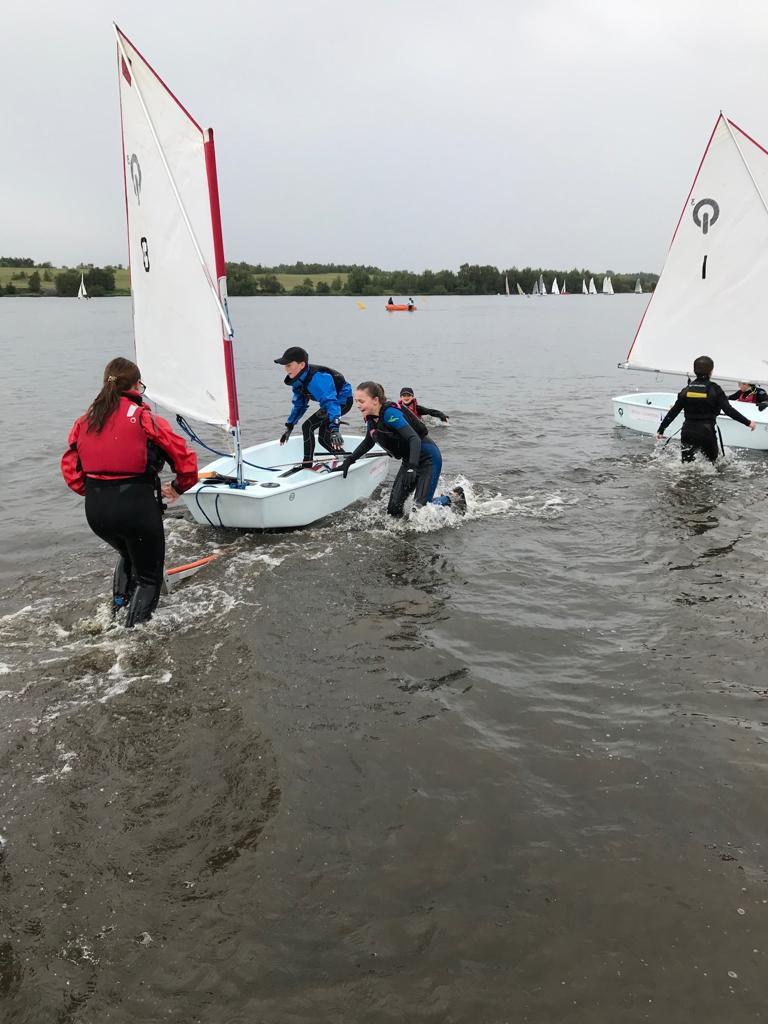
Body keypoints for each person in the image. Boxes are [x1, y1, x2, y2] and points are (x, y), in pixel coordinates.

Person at [61, 357, 198, 627]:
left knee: (127, 555)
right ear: (136, 386)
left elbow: (70, 469)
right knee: (149, 578)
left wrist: (97, 493)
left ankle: (116, 613)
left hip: (97, 510)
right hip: (136, 507)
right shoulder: (144, 418)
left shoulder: (85, 420)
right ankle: (130, 638)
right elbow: (185, 459)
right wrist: (180, 486)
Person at [339, 381, 464, 516]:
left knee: (420, 510)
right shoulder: (371, 419)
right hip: (410, 461)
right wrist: (349, 461)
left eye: (361, 401)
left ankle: (455, 499)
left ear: (375, 400)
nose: (358, 405)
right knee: (393, 510)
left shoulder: (390, 413)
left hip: (428, 459)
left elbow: (414, 438)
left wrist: (412, 467)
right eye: (357, 401)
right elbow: (367, 442)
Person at [656, 355, 756, 462]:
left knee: (686, 466)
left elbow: (674, 412)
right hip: (706, 432)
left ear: (694, 371)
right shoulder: (715, 389)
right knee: (713, 466)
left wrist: (661, 429)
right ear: (711, 371)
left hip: (687, 432)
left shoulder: (686, 390)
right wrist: (748, 422)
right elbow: (729, 411)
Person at [275, 346, 353, 467]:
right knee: (323, 439)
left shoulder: (317, 378)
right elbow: (299, 405)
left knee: (308, 427)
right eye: (285, 366)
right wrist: (289, 425)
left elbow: (331, 402)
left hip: (342, 401)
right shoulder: (298, 381)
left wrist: (335, 428)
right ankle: (345, 458)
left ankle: (307, 465)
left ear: (301, 365)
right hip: (332, 404)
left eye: (289, 365)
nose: (285, 369)